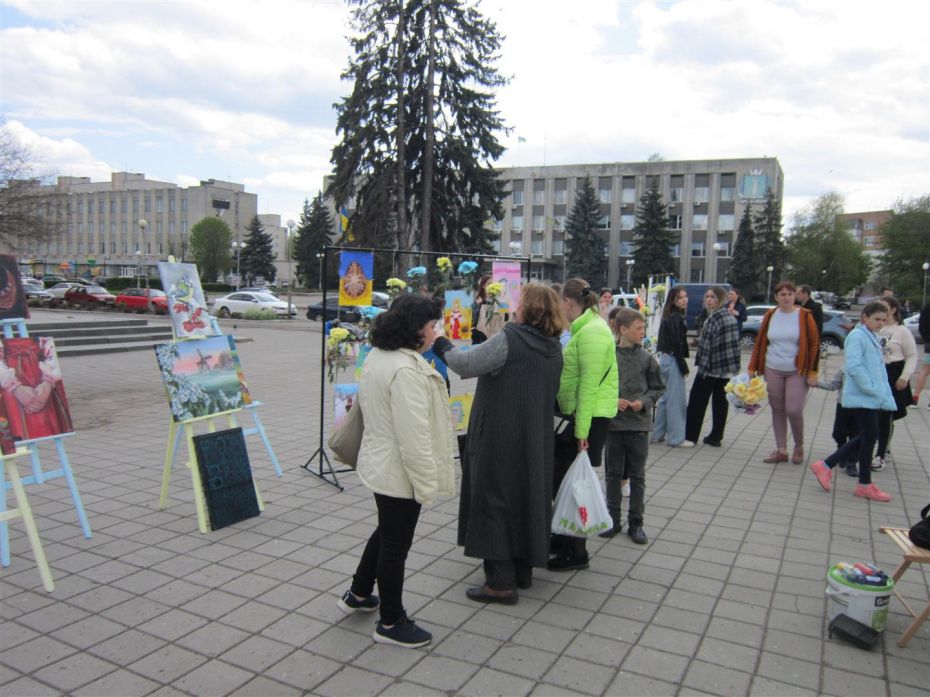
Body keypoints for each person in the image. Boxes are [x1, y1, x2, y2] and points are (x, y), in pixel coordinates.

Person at [431, 285, 564, 604]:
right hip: (534, 439)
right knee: (524, 499)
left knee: (494, 499)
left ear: (528, 308)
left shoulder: (511, 339)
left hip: (500, 436)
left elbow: (464, 364)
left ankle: (501, 582)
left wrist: (438, 339)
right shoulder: (553, 346)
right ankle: (521, 571)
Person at [337, 294, 455, 649]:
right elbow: (414, 438)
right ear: (415, 329)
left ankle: (358, 593)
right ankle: (391, 620)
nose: (437, 332)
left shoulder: (380, 355)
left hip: (381, 464)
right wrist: (426, 486)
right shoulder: (406, 371)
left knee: (387, 532)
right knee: (395, 547)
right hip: (399, 470)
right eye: (433, 326)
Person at [550, 278, 618, 571]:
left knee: (574, 484)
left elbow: (589, 386)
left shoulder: (591, 332)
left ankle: (576, 552)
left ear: (567, 302)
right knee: (563, 481)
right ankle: (564, 537)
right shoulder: (585, 328)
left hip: (586, 419)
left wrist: (581, 434)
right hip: (580, 416)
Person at [809, 302, 896, 502]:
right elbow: (854, 367)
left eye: (884, 320)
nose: (880, 323)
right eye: (877, 319)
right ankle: (861, 482)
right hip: (863, 395)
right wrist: (872, 388)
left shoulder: (870, 336)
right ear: (865, 317)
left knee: (867, 436)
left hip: (869, 396)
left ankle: (829, 466)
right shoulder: (858, 336)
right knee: (869, 436)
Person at [599, 308, 664, 544]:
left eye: (643, 328)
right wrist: (612, 400)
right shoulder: (608, 356)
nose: (642, 332)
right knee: (612, 474)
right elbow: (597, 385)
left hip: (638, 425)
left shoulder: (647, 358)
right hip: (614, 425)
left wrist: (645, 402)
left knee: (637, 476)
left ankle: (636, 523)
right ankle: (611, 519)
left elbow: (658, 387)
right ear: (622, 329)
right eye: (638, 328)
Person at [747, 282, 820, 464]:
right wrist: (752, 366)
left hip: (797, 370)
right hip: (773, 368)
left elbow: (814, 344)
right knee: (778, 410)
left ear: (795, 296)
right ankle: (781, 449)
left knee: (793, 409)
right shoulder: (771, 315)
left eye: (790, 294)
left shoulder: (804, 316)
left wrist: (813, 371)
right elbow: (760, 342)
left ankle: (799, 445)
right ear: (776, 297)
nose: (786, 297)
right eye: (782, 294)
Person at [684, 286, 740, 447]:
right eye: (707, 297)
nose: (709, 300)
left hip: (711, 367)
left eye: (713, 297)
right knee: (720, 401)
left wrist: (702, 368)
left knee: (697, 401)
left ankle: (690, 435)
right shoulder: (729, 317)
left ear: (721, 299)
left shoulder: (714, 319)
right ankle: (716, 435)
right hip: (725, 368)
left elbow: (707, 347)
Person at [873, 297, 917, 471]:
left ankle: (881, 454)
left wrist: (905, 376)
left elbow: (912, 355)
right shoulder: (875, 327)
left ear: (892, 310)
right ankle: (879, 445)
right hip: (875, 373)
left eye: (884, 308)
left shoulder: (901, 331)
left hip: (893, 373)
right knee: (872, 415)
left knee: (886, 416)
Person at [652, 286, 691, 448]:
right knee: (676, 400)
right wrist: (684, 366)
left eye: (685, 296)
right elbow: (677, 342)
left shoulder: (669, 316)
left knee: (665, 399)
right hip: (673, 359)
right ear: (673, 300)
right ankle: (676, 438)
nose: (684, 300)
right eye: (680, 297)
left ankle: (657, 434)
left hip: (665, 358)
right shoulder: (676, 317)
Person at [471, 274, 504, 345]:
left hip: (493, 334)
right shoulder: (478, 300)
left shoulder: (497, 301)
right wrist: (479, 306)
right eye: (489, 283)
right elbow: (473, 319)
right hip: (480, 336)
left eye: (492, 283)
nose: (491, 285)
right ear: (483, 286)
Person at [910, 301, 930, 406]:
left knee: (924, 370)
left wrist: (926, 338)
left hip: (928, 343)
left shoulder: (927, 306)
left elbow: (921, 326)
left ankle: (915, 398)